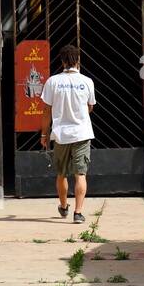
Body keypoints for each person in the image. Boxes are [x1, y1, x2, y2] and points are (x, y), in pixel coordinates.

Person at [40, 44, 95, 223]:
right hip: (82, 134)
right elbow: (90, 106)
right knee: (80, 174)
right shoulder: (87, 81)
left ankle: (63, 207)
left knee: (61, 173)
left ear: (62, 61)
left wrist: (44, 135)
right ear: (77, 60)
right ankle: (78, 213)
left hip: (61, 135)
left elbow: (46, 111)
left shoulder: (52, 82)